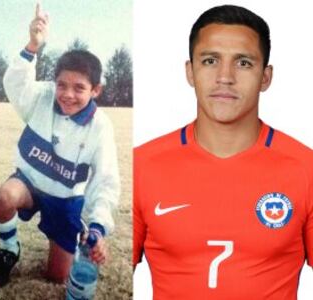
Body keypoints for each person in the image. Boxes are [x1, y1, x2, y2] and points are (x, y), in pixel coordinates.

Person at [133, 4, 313, 299]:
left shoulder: (306, 168)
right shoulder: (143, 165)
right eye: (210, 61)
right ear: (190, 72)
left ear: (265, 77)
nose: (225, 77)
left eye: (243, 63)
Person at [0, 3, 120, 287]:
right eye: (62, 85)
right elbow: (15, 84)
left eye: (79, 88)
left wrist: (97, 227)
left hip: (65, 199)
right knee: (4, 197)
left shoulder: (100, 126)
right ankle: (9, 250)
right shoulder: (44, 97)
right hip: (30, 183)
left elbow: (106, 182)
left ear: (96, 90)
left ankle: (60, 246)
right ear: (54, 83)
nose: (67, 94)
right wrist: (33, 46)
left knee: (58, 277)